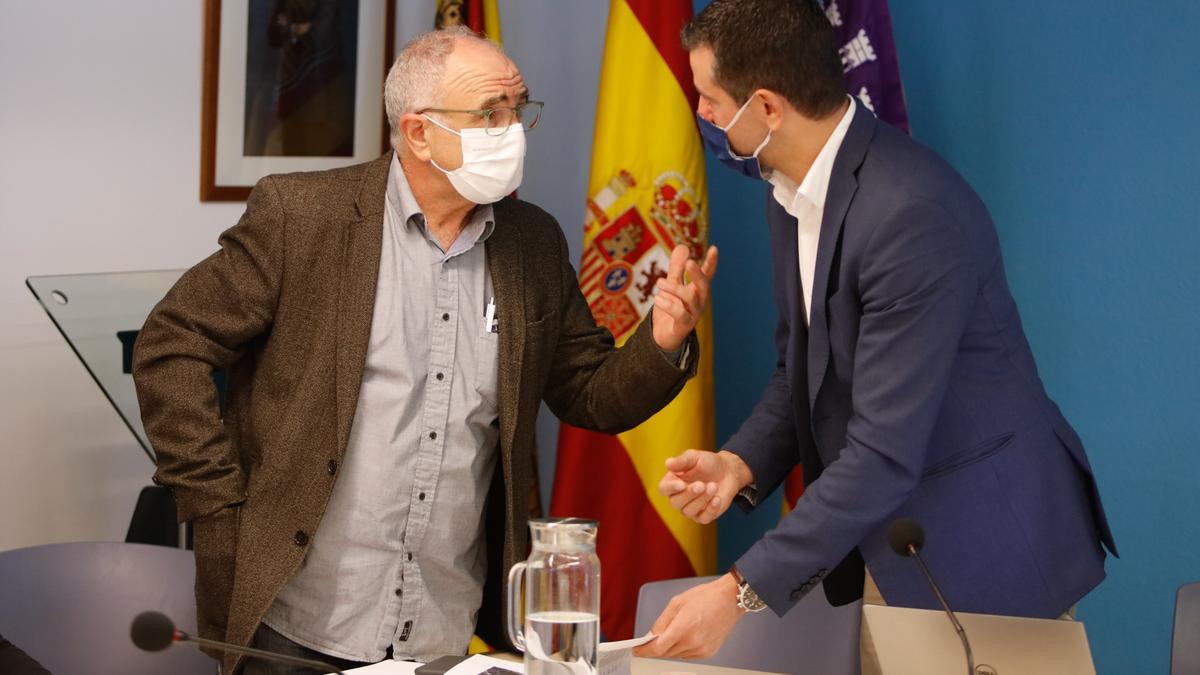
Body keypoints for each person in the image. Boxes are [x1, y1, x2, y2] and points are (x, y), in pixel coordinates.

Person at [133, 27, 717, 675]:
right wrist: (215, 496)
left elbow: (588, 391)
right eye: (489, 114)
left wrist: (663, 339)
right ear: (418, 133)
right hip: (292, 617)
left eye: (517, 111)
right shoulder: (304, 217)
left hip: (444, 625)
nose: (512, 130)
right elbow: (171, 343)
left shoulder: (532, 243)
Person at [637, 0, 1115, 661]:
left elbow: (883, 452)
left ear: (769, 109)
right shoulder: (791, 187)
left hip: (981, 553)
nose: (705, 117)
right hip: (884, 541)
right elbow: (801, 367)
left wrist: (737, 592)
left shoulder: (908, 215)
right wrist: (739, 461)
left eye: (711, 98)